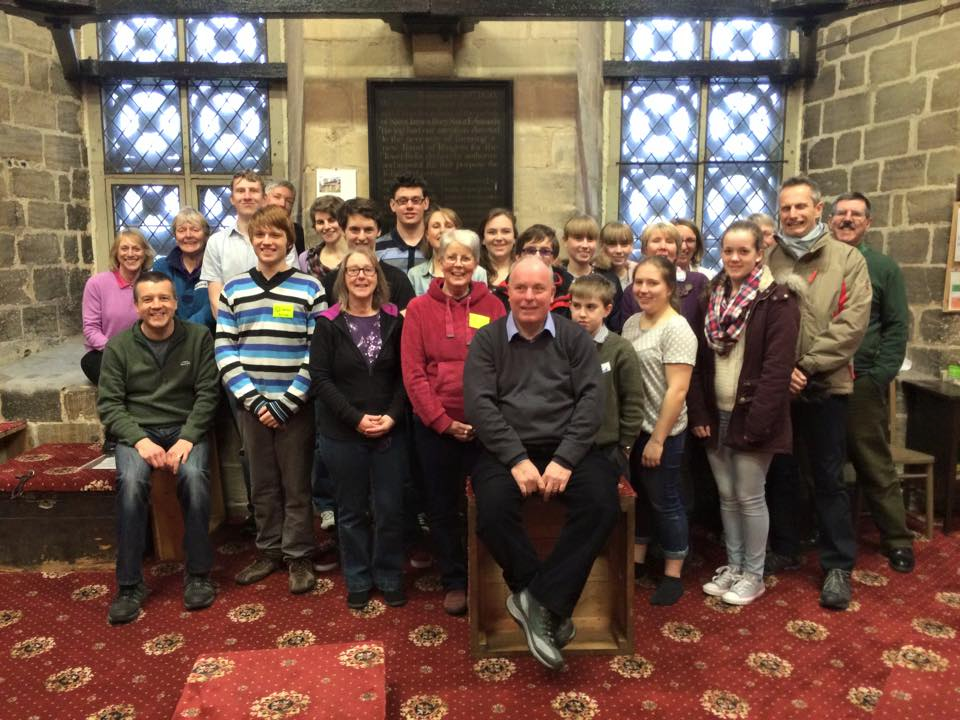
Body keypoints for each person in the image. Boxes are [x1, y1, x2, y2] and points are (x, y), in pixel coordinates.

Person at [464, 256, 620, 670]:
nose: (529, 296)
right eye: (521, 288)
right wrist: (516, 458)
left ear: (554, 293)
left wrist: (565, 458)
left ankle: (537, 601)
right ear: (508, 292)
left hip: (568, 448)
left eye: (538, 289)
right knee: (492, 511)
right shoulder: (487, 340)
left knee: (602, 503)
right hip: (505, 450)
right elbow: (479, 405)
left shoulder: (575, 339)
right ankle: (542, 599)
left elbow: (592, 401)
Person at [764, 176, 871, 610]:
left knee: (828, 477)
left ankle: (837, 565)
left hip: (826, 384)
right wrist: (779, 373)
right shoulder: (770, 259)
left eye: (800, 207)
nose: (792, 214)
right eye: (785, 208)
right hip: (779, 388)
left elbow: (852, 323)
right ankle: (785, 547)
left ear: (818, 208)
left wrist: (805, 367)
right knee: (782, 472)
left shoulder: (847, 259)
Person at [687, 221, 800, 606]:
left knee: (750, 496)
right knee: (727, 495)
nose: (734, 258)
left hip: (752, 415)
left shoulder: (778, 300)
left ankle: (754, 574)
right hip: (716, 411)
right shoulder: (712, 295)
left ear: (759, 253)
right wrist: (700, 412)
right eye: (728, 250)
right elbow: (700, 360)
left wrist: (758, 423)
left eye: (743, 251)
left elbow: (777, 369)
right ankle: (734, 566)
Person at [97, 271, 220, 624]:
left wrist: (188, 436)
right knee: (131, 484)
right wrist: (139, 440)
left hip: (185, 427)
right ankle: (129, 585)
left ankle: (198, 575)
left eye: (164, 298)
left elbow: (208, 393)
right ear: (136, 306)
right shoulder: (118, 347)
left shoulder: (198, 338)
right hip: (138, 431)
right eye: (148, 299)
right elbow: (110, 404)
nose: (157, 306)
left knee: (194, 478)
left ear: (176, 302)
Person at [215, 206, 326, 595]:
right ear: (252, 240)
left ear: (288, 241)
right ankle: (269, 550)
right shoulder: (234, 290)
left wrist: (287, 402)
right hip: (252, 407)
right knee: (262, 484)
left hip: (296, 406)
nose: (267, 242)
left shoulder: (310, 288)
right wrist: (254, 400)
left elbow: (318, 351)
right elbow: (225, 348)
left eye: (275, 235)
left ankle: (298, 554)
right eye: (260, 235)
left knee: (296, 483)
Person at [401, 229, 507, 616]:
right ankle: (455, 580)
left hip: (484, 428)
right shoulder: (418, 309)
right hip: (436, 429)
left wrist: (485, 419)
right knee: (442, 507)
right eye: (452, 257)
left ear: (476, 263)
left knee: (490, 504)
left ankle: (487, 575)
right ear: (440, 262)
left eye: (466, 258)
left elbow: (503, 367)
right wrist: (443, 422)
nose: (458, 265)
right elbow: (413, 374)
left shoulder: (493, 306)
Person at [310, 248, 409, 610]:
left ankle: (389, 575)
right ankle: (358, 577)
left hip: (390, 430)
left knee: (389, 509)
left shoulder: (395, 320)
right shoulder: (327, 323)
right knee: (350, 511)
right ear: (343, 279)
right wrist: (355, 418)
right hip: (342, 433)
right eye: (353, 271)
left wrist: (393, 416)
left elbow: (406, 375)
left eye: (367, 270)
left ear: (377, 277)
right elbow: (320, 378)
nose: (361, 276)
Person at [829, 192, 914, 573]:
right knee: (818, 460)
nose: (847, 219)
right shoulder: (821, 261)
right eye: (841, 213)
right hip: (819, 379)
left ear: (868, 222)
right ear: (830, 219)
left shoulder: (882, 267)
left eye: (856, 214)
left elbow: (896, 326)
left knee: (873, 460)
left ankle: (896, 538)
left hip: (861, 380)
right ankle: (817, 530)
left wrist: (880, 375)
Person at [622, 256, 697, 606]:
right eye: (639, 282)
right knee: (639, 497)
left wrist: (657, 439)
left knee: (665, 501)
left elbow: (677, 391)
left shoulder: (677, 328)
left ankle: (673, 573)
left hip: (663, 432)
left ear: (669, 288)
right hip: (635, 430)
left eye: (652, 283)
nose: (643, 289)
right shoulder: (631, 323)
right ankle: (637, 562)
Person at [569, 275, 643, 475]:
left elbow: (633, 401)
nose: (582, 314)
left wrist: (625, 446)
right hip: (567, 446)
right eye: (576, 306)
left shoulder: (620, 349)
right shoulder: (561, 345)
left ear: (607, 310)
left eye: (591, 307)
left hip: (608, 448)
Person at [82, 228, 153, 385]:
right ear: (116, 253)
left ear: (145, 253)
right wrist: (117, 350)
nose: (130, 254)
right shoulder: (96, 284)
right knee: (92, 364)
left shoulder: (152, 284)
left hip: (146, 351)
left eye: (136, 249)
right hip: (106, 352)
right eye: (124, 248)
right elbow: (91, 329)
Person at [321, 198, 416, 311]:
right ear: (343, 231)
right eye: (355, 230)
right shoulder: (329, 282)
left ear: (379, 231)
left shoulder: (398, 280)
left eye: (368, 230)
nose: (361, 237)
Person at [619, 222, 708, 332]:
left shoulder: (698, 282)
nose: (663, 247)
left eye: (669, 241)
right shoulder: (632, 291)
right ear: (644, 249)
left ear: (677, 250)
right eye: (656, 241)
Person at [492, 224, 574, 318]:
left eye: (545, 251)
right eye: (530, 251)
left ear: (554, 258)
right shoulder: (501, 294)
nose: (537, 256)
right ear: (518, 256)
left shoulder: (570, 291)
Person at [152, 207, 214, 330]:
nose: (188, 235)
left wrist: (185, 331)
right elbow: (160, 304)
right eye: (181, 230)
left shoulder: (216, 265)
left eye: (195, 229)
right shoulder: (161, 267)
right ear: (175, 236)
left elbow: (214, 304)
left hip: (209, 336)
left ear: (206, 235)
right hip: (170, 336)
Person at [559, 213, 623, 329]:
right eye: (578, 238)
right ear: (565, 241)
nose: (585, 245)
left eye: (590, 239)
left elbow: (615, 325)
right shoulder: (557, 279)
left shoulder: (610, 280)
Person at [407, 207, 488, 295]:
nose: (442, 231)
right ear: (427, 234)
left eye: (448, 226)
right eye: (436, 226)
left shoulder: (478, 273)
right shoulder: (415, 275)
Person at [375, 175, 430, 272]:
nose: (409, 206)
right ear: (393, 205)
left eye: (416, 200)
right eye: (402, 201)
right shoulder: (377, 248)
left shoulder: (435, 246)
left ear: (426, 203)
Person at [299, 195, 347, 283]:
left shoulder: (358, 255)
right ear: (315, 227)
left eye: (331, 220)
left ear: (343, 221)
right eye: (320, 222)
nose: (326, 226)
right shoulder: (306, 259)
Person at [264, 179, 307, 255]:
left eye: (289, 201)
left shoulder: (296, 230)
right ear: (265, 199)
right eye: (277, 197)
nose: (282, 204)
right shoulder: (254, 227)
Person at [478, 208, 518, 287]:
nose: (499, 238)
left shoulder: (524, 269)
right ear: (483, 239)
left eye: (506, 231)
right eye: (492, 232)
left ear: (514, 238)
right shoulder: (473, 272)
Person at [598, 221, 637, 291]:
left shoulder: (638, 272)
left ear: (631, 246)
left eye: (624, 244)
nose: (619, 251)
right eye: (612, 244)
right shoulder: (593, 274)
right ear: (601, 246)